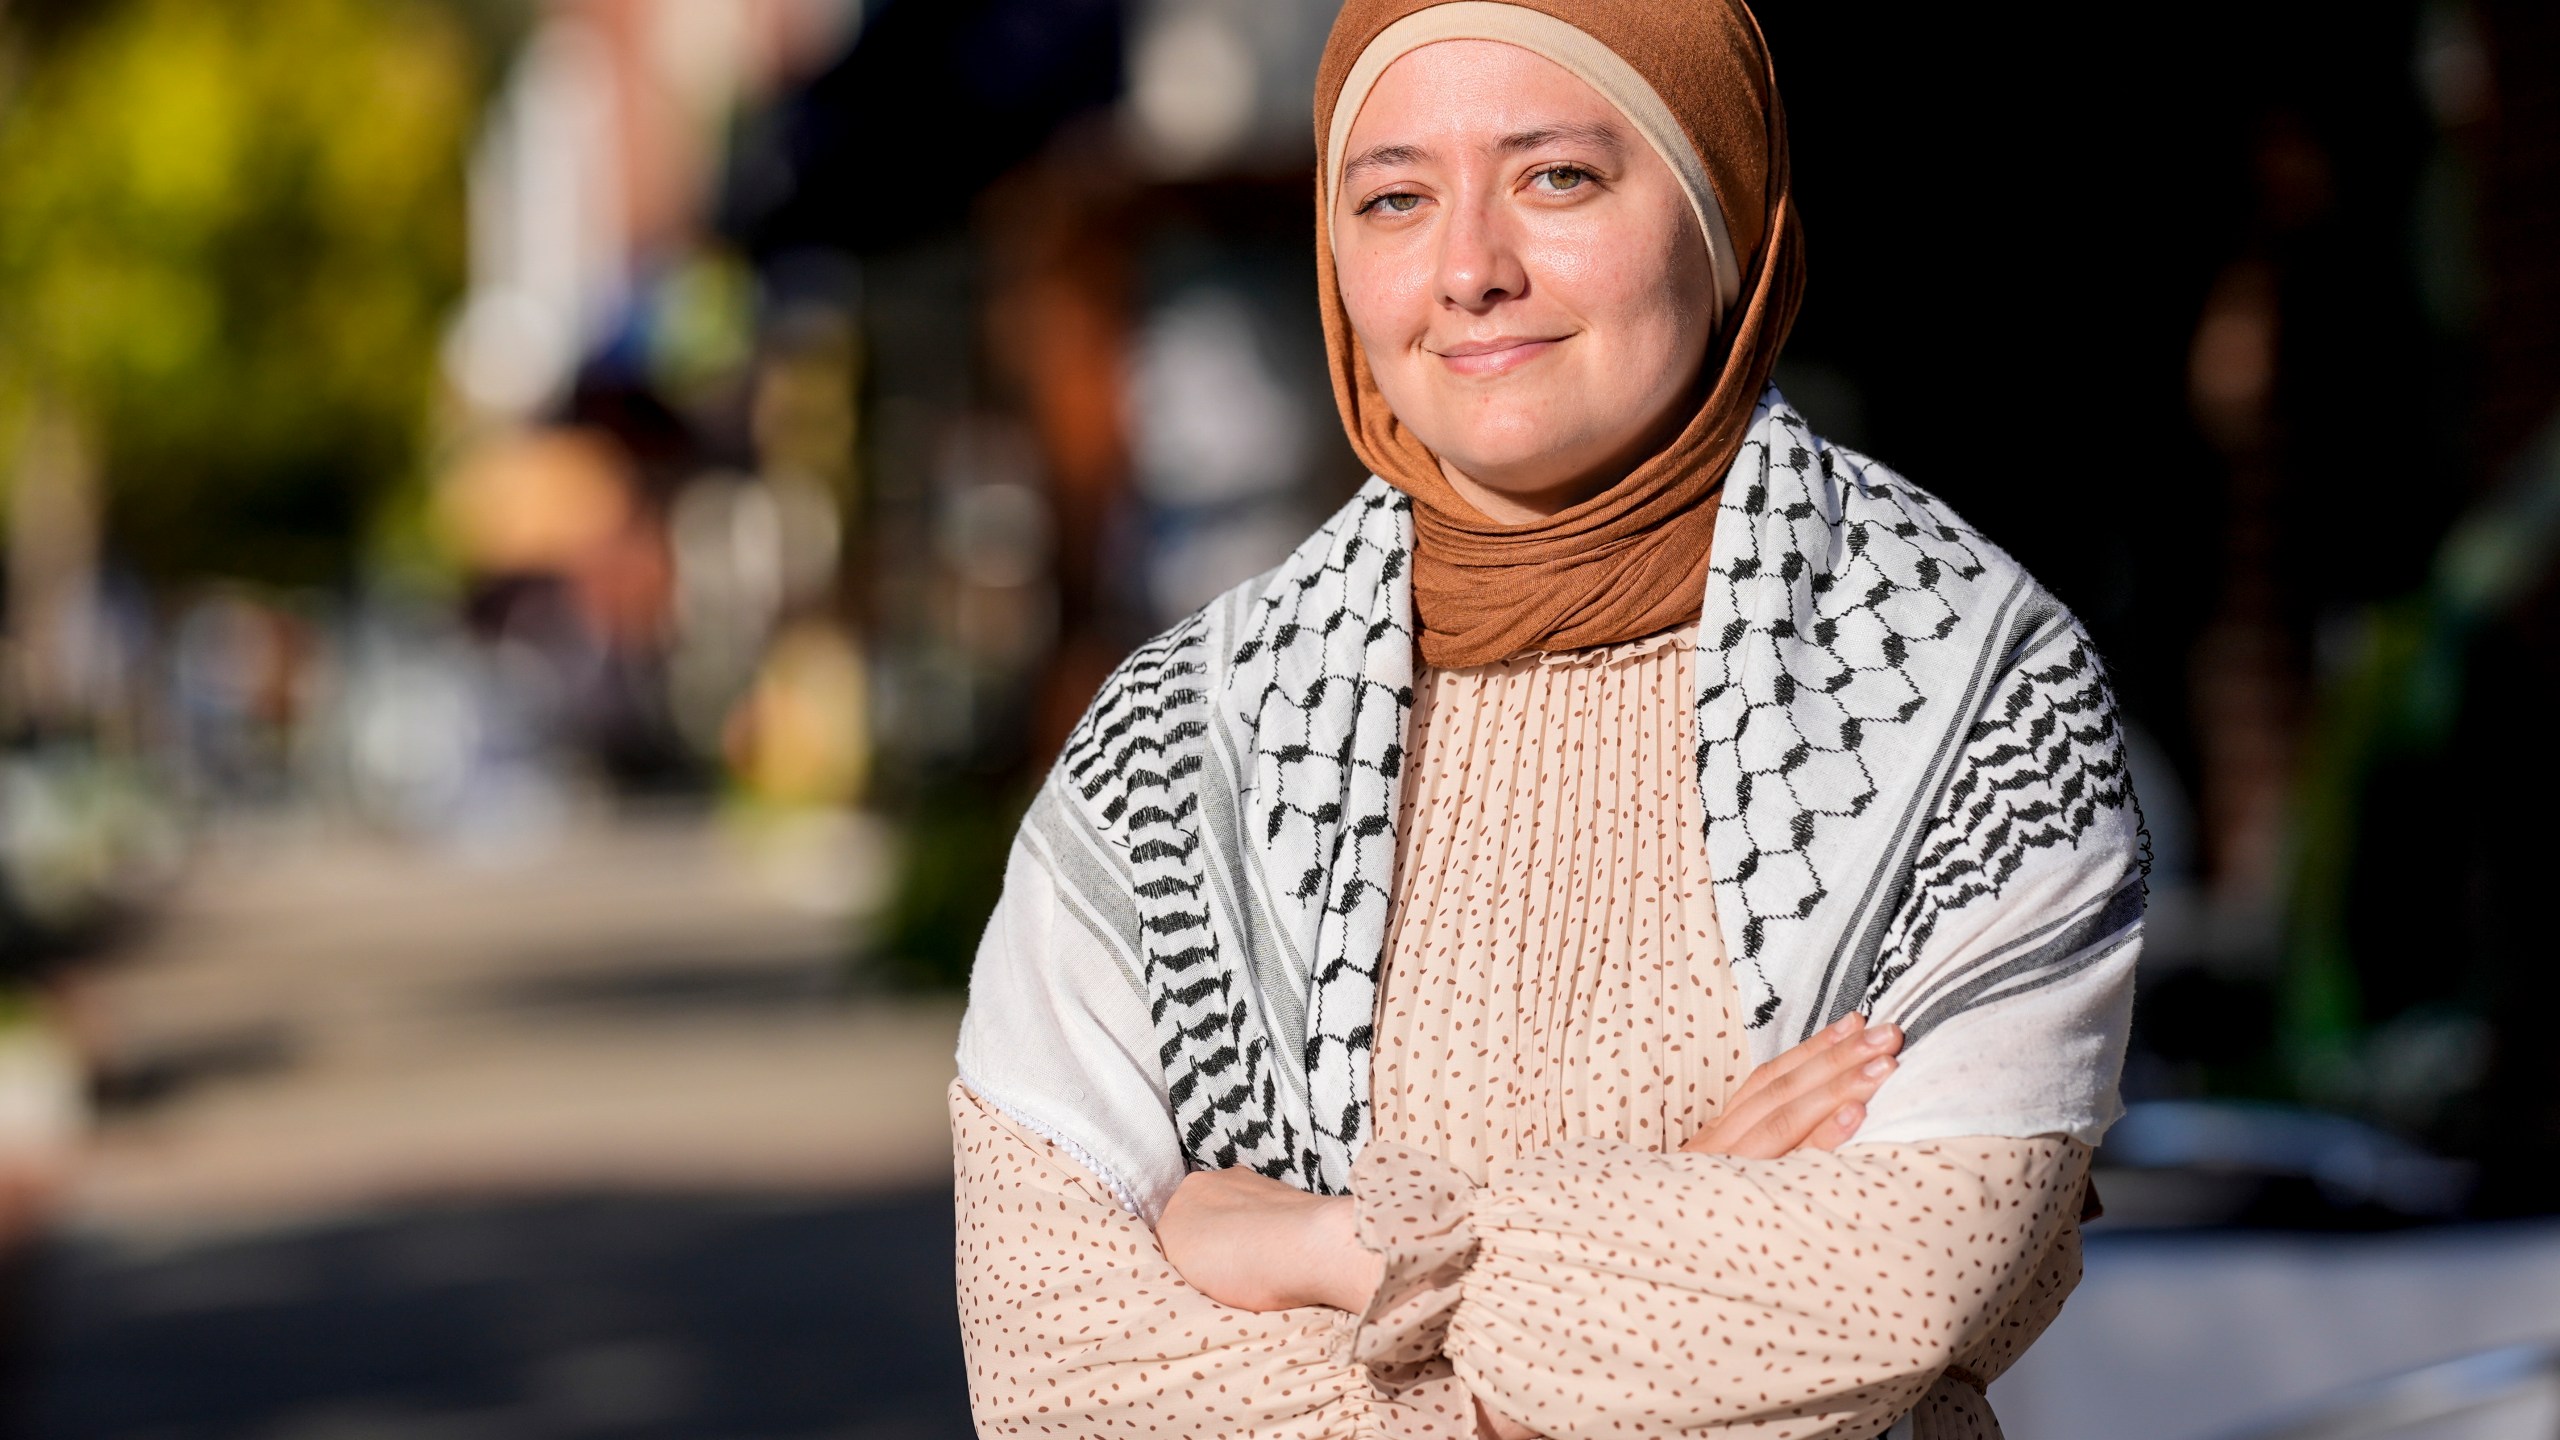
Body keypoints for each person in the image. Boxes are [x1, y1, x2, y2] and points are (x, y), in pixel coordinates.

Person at [949, 1, 2142, 1435]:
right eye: (1394, 199)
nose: (1469, 272)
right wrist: (1680, 1218)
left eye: (1557, 177)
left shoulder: (1967, 689)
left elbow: (1901, 1279)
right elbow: (1057, 1373)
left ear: (1726, 203)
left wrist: (1335, 1254)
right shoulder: (1174, 754)